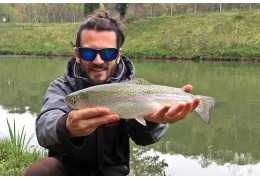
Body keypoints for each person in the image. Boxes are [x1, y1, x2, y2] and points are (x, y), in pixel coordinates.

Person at [23, 11, 199, 176]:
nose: (98, 60)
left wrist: (152, 122)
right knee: (41, 170)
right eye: (88, 52)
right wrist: (65, 126)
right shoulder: (62, 87)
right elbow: (44, 130)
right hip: (67, 169)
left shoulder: (132, 88)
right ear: (77, 54)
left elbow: (144, 139)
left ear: (118, 55)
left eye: (107, 53)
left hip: (113, 172)